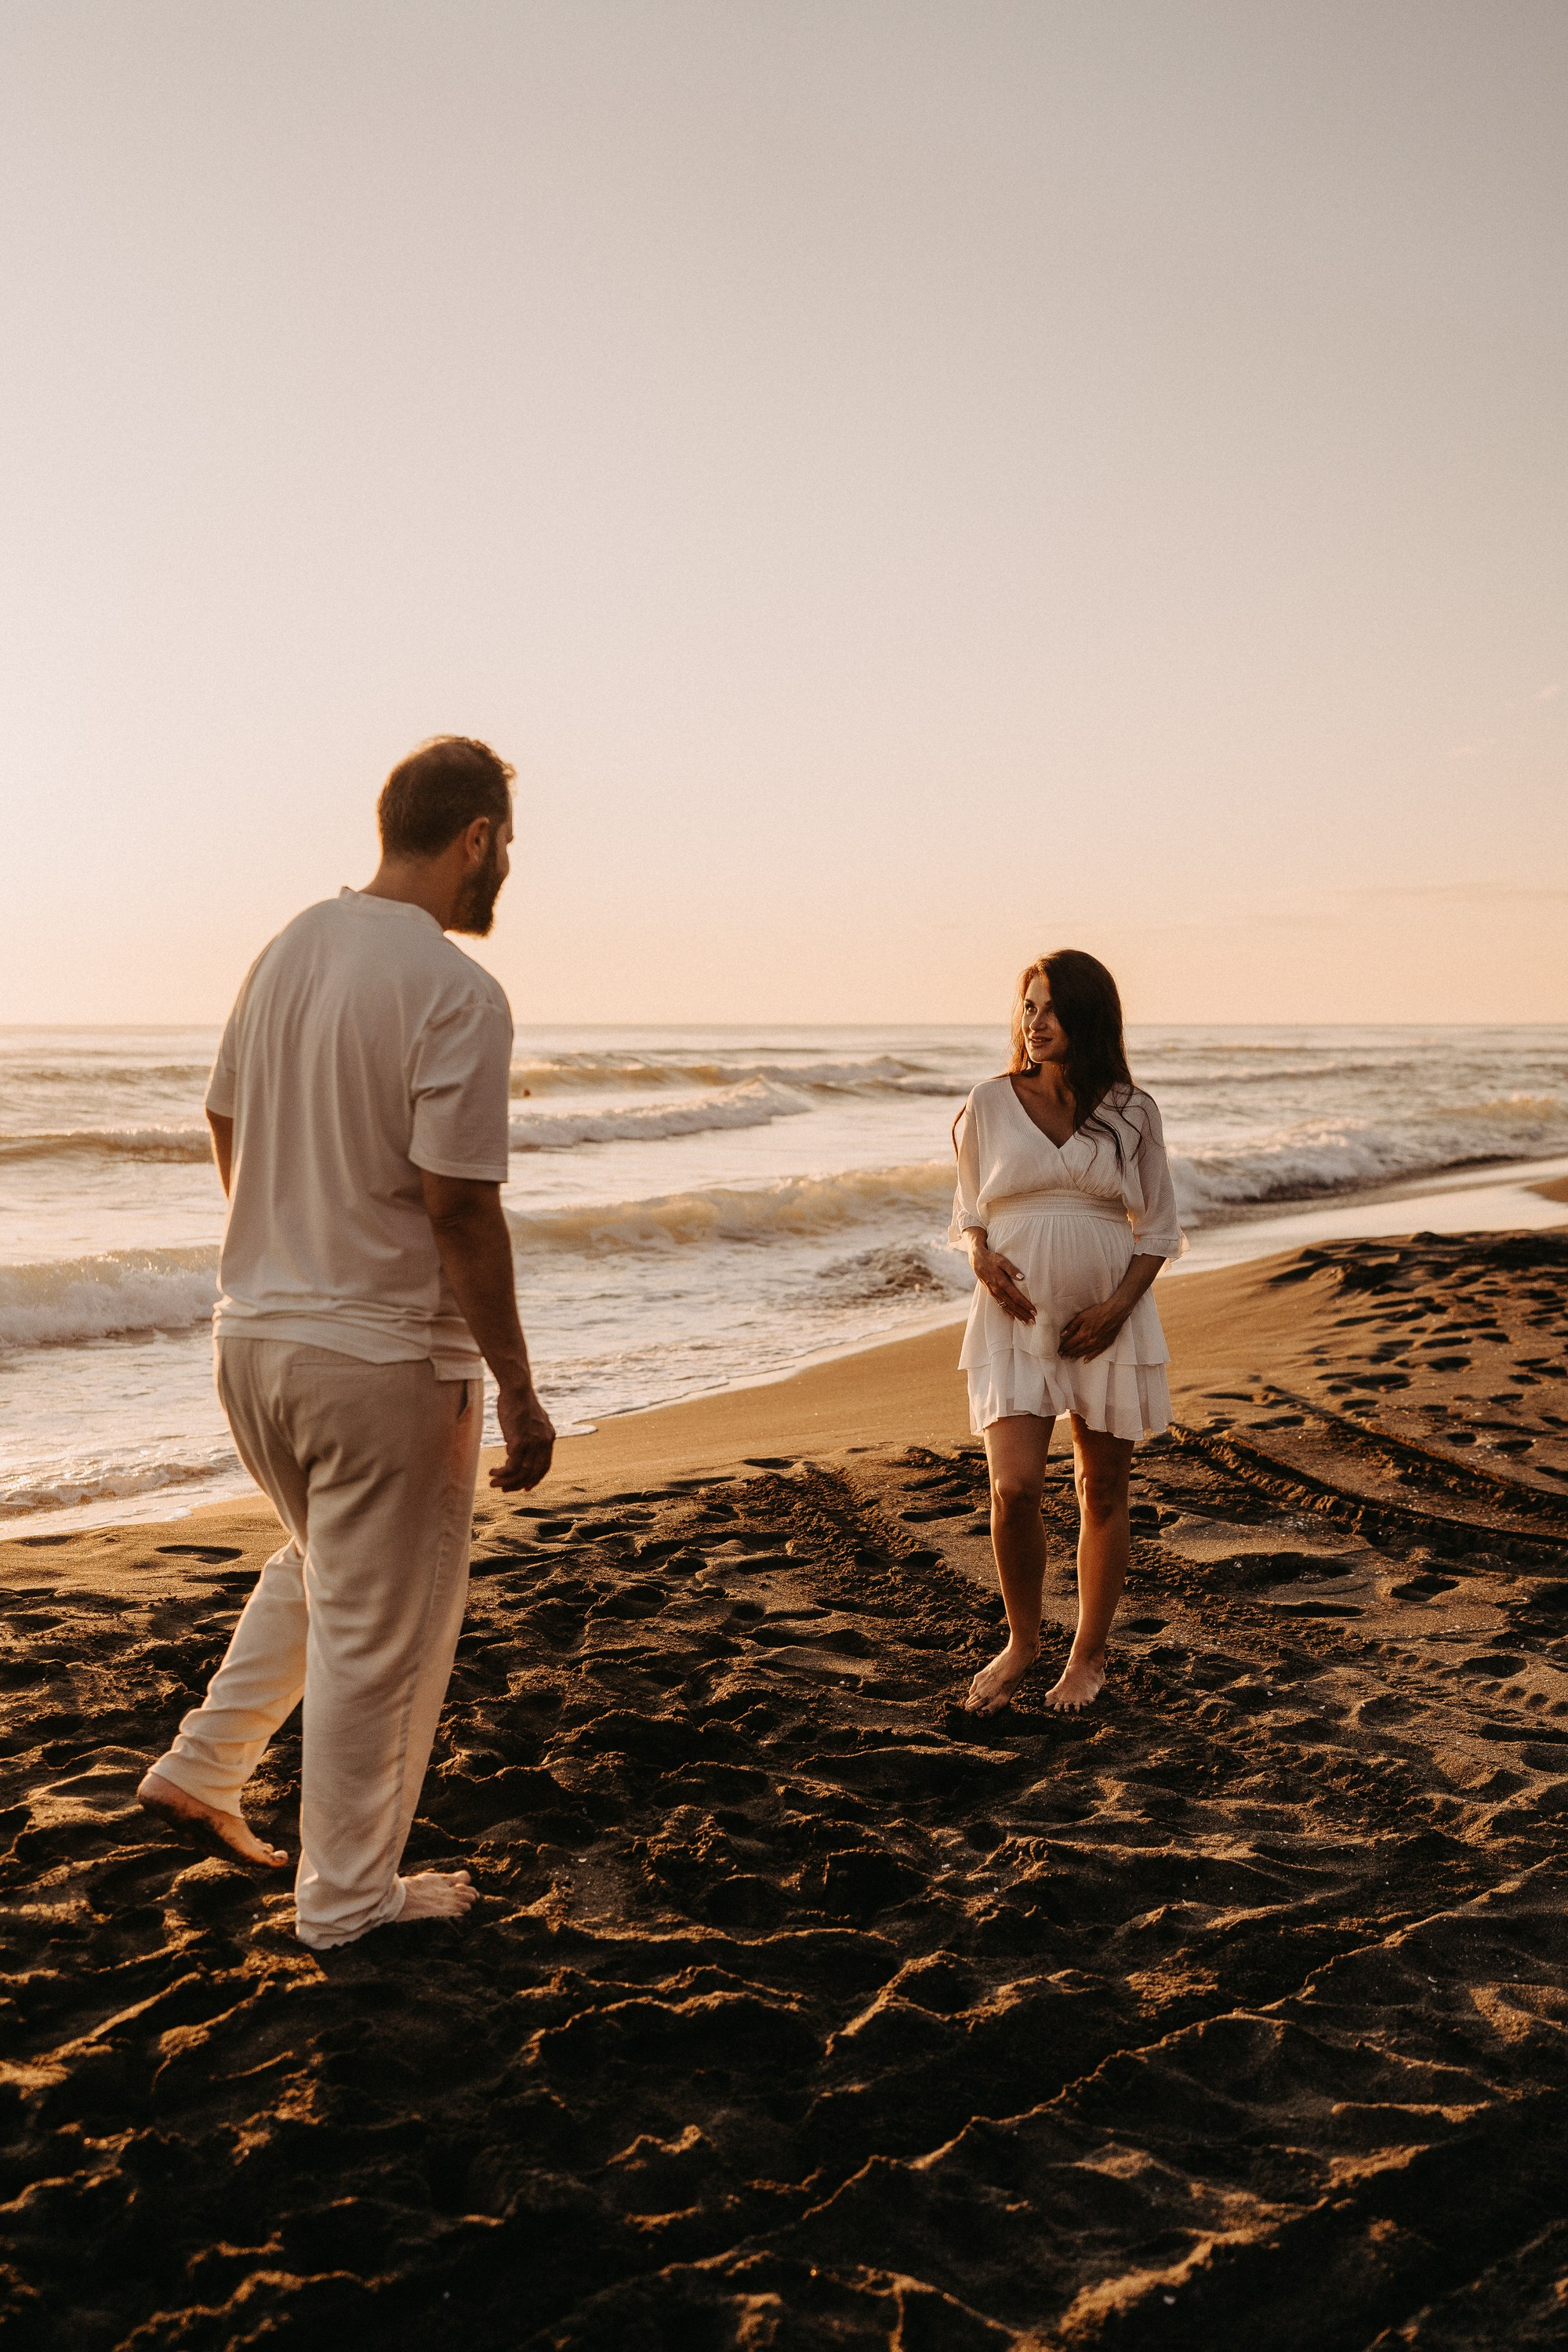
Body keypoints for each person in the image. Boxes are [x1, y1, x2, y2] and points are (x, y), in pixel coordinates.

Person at [137, 736, 555, 1947]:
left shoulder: (288, 948)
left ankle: (205, 1767)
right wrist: (520, 1393)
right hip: (379, 1360)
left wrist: (283, 1242)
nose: (506, 873)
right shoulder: (455, 990)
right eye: (506, 847)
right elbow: (460, 1205)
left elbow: (222, 1112)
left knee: (327, 1565)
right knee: (389, 1631)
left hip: (255, 1339)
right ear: (474, 835)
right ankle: (349, 1902)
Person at [950, 951, 1182, 1715]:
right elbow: (969, 1216)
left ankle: (1087, 1656)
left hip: (1105, 1315)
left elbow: (1156, 1230)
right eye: (1026, 1007)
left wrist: (1116, 1309)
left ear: (1087, 1016)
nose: (1034, 1022)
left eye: (1049, 1008)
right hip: (1015, 1317)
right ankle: (1023, 1642)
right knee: (1013, 1489)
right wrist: (982, 1261)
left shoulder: (1130, 1110)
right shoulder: (987, 1102)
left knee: (1100, 1487)